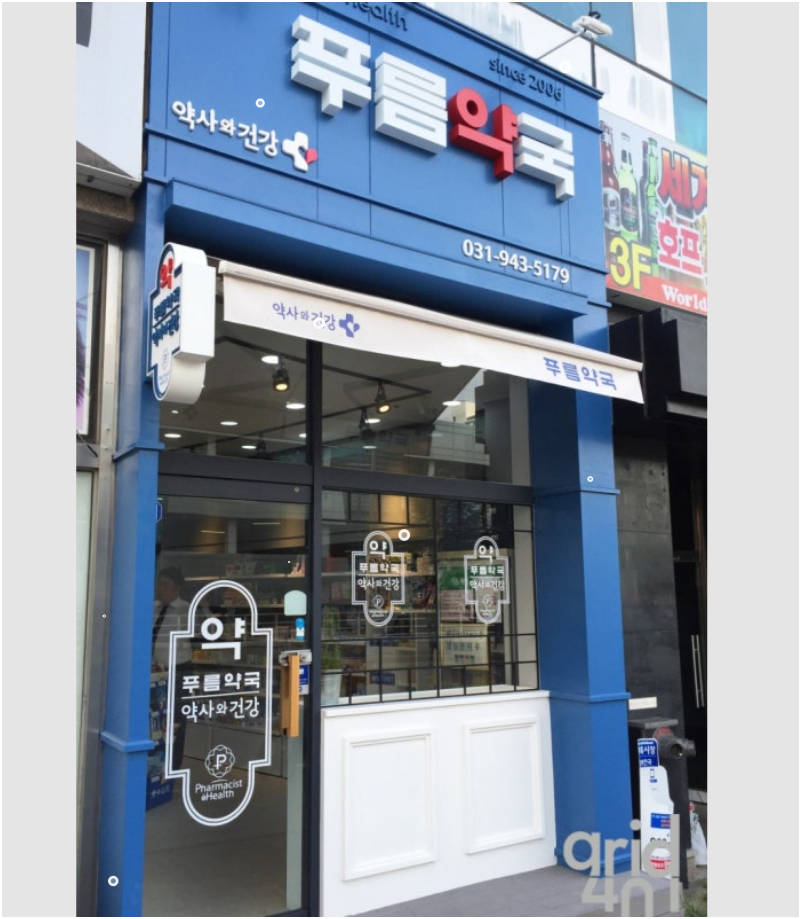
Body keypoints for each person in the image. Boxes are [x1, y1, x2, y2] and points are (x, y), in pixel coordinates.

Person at [152, 567, 191, 771]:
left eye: (165, 585)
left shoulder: (186, 609)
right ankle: (155, 763)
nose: (161, 588)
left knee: (176, 719)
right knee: (155, 717)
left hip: (178, 670)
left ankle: (174, 766)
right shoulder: (153, 607)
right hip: (155, 671)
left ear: (177, 588)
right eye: (159, 584)